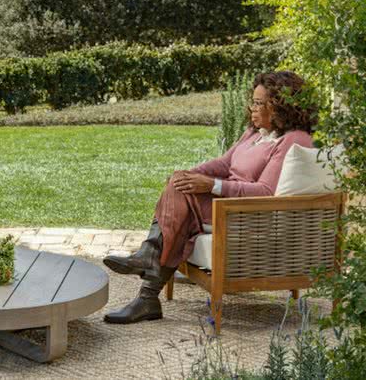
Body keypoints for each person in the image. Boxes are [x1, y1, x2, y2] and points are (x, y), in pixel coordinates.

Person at [102, 71, 317, 324]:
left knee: (180, 194)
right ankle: (147, 292)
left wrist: (211, 185)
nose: (252, 108)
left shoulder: (293, 139)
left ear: (280, 105)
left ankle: (148, 270)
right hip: (222, 202)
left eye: (259, 103)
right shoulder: (254, 133)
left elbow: (265, 192)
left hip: (244, 212)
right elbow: (224, 162)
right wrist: (191, 174)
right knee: (179, 186)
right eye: (253, 101)